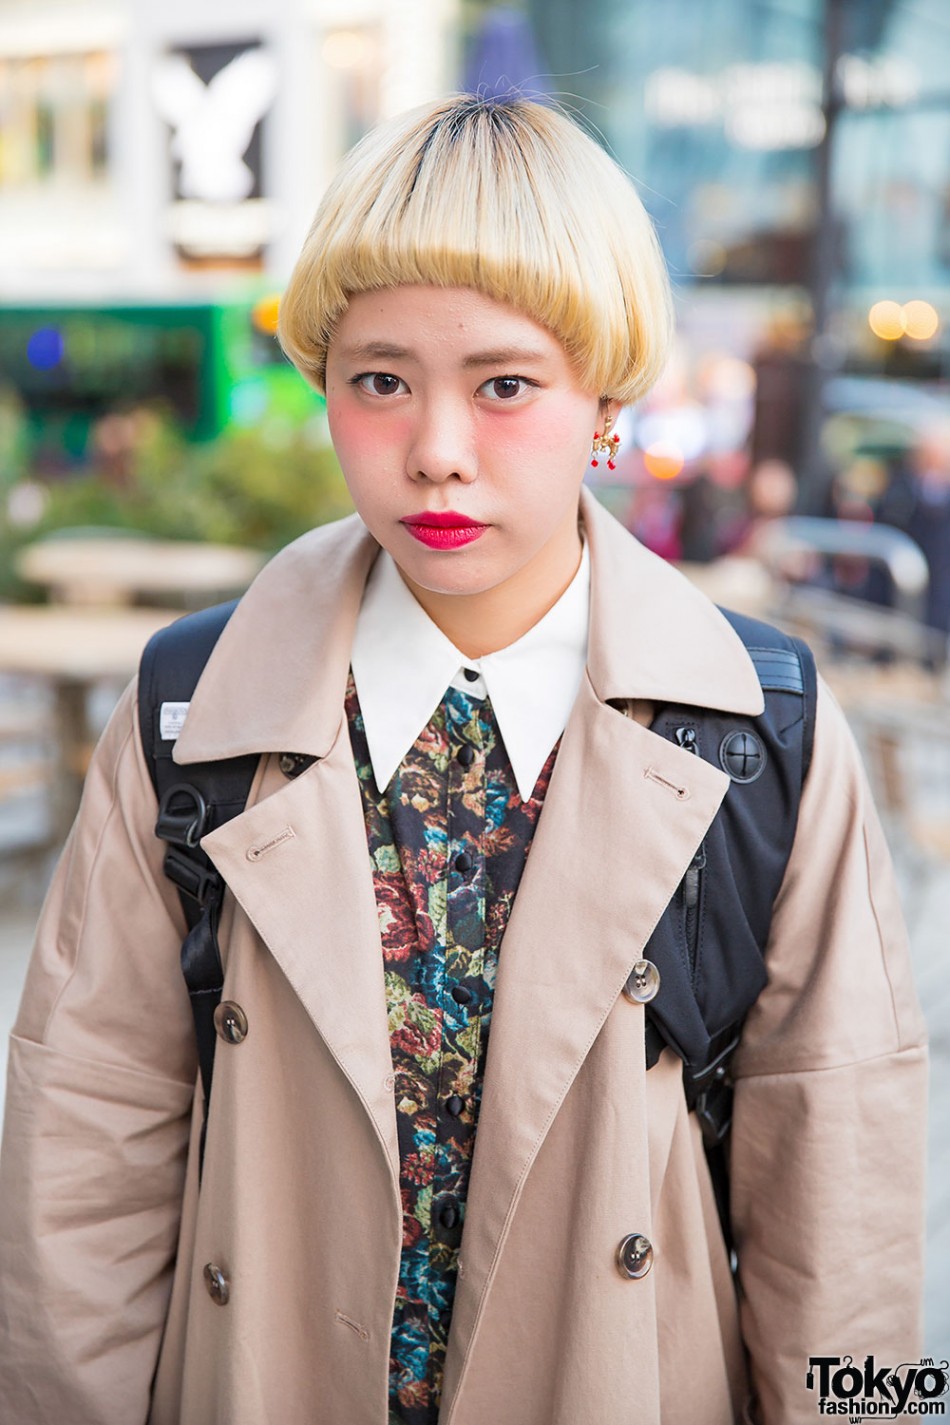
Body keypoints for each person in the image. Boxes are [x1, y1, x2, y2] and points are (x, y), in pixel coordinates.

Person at [0, 95, 927, 1425]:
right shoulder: (191, 710)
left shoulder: (754, 726)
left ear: (603, 398)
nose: (436, 449)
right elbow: (84, 1151)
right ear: (324, 384)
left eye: (504, 384)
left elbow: (845, 1189)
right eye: (380, 379)